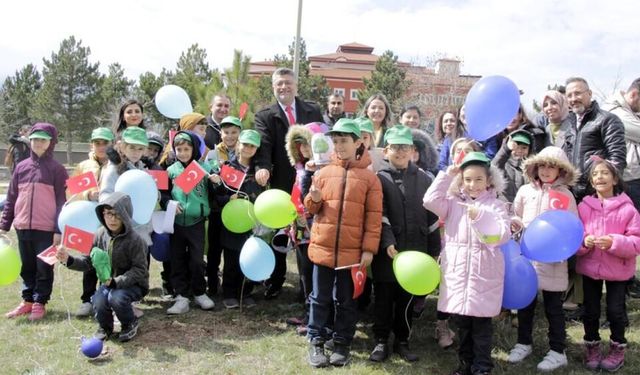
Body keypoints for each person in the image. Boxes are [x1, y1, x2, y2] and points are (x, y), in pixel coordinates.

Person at [304, 118, 382, 368]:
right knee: (319, 298)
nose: (339, 145)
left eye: (344, 141)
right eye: (335, 141)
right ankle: (316, 341)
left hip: (351, 255)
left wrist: (369, 249)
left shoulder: (370, 180)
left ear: (358, 142)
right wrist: (313, 199)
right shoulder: (323, 173)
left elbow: (373, 217)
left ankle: (342, 343)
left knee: (346, 301)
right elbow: (313, 209)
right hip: (322, 250)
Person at [423, 151, 510, 375]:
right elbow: (429, 200)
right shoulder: (452, 203)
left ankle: (482, 366)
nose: (473, 185)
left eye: (479, 179)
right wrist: (446, 175)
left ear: (489, 180)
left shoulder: (497, 205)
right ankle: (465, 363)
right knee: (463, 325)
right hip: (458, 274)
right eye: (467, 179)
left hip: (484, 274)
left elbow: (502, 235)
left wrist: (481, 217)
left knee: (481, 326)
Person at [369, 125, 440, 363]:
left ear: (412, 150)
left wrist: (434, 251)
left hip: (416, 251)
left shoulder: (424, 179)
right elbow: (380, 214)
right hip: (387, 254)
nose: (400, 152)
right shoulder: (379, 178)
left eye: (404, 147)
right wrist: (387, 242)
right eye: (395, 147)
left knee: (406, 301)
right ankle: (380, 341)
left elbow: (432, 219)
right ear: (386, 151)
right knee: (384, 299)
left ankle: (402, 340)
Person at [507, 146, 579, 371]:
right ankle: (523, 342)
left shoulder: (566, 195)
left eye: (552, 166)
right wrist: (515, 222)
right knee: (525, 305)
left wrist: (560, 249)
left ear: (561, 171)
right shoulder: (525, 191)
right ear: (535, 168)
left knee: (553, 308)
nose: (546, 171)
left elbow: (572, 226)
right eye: (542, 166)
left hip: (553, 262)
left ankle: (558, 350)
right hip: (527, 258)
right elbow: (514, 213)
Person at [254, 67, 322, 299]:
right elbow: (263, 145)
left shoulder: (312, 110)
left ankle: (308, 287)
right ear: (273, 87)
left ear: (296, 86)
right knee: (279, 236)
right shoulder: (264, 115)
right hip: (282, 185)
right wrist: (262, 167)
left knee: (308, 236)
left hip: (312, 184)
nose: (284, 87)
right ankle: (275, 280)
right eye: (279, 84)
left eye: (287, 83)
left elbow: (322, 142)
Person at [56, 192, 149, 342]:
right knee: (99, 299)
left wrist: (116, 282)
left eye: (116, 214)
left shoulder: (136, 240)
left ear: (125, 215)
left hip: (134, 285)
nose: (111, 219)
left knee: (116, 297)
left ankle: (129, 323)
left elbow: (139, 270)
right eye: (107, 214)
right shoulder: (99, 235)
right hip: (108, 284)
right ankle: (105, 327)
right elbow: (87, 261)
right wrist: (69, 260)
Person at [577, 159, 640, 372]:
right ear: (591, 181)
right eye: (595, 174)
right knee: (591, 311)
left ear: (615, 179)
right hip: (590, 267)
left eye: (605, 173)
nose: (599, 177)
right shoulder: (583, 207)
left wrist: (615, 242)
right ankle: (592, 347)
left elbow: (636, 241)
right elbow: (575, 235)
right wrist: (584, 241)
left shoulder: (628, 209)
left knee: (615, 311)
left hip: (618, 270)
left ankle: (617, 349)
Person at [1, 123, 68, 321]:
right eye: (35, 139)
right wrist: (4, 224)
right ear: (29, 141)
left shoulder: (57, 169)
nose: (38, 143)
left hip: (46, 229)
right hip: (22, 226)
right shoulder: (21, 167)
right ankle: (27, 300)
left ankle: (40, 302)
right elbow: (11, 198)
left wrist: (58, 229)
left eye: (43, 139)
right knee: (27, 266)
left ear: (51, 143)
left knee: (44, 267)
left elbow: (61, 202)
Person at [162, 130, 217, 314]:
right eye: (179, 149)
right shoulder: (170, 171)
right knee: (177, 259)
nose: (183, 153)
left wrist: (216, 181)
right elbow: (164, 193)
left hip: (197, 223)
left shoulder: (205, 168)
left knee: (196, 260)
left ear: (194, 149)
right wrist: (168, 202)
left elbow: (217, 192)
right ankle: (181, 296)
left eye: (187, 149)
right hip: (176, 223)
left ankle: (200, 292)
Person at [214, 130, 265, 309]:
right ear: (238, 144)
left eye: (252, 145)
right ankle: (229, 293)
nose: (248, 148)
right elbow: (217, 196)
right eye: (245, 144)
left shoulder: (260, 172)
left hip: (252, 222)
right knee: (231, 259)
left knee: (250, 256)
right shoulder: (228, 168)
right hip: (232, 222)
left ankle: (246, 292)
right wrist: (228, 199)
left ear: (257, 148)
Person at [70, 127, 115, 317]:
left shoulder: (116, 164)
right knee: (89, 260)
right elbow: (71, 193)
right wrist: (87, 194)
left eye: (105, 143)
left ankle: (108, 297)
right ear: (92, 144)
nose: (102, 146)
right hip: (88, 223)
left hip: (110, 222)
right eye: (98, 143)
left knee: (109, 260)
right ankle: (87, 299)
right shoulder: (83, 166)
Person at [602, 78, 640, 299]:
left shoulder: (628, 111)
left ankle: (628, 280)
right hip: (625, 181)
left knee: (631, 233)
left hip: (632, 178)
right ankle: (623, 283)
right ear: (634, 95)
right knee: (623, 233)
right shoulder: (614, 110)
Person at [565, 77, 626, 202]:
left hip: (598, 194)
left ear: (590, 93)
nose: (573, 99)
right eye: (569, 95)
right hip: (573, 195)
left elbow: (617, 159)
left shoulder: (607, 120)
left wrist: (604, 189)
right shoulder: (569, 124)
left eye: (577, 93)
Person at [204, 115, 243, 297]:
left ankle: (231, 286)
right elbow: (207, 184)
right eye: (226, 132)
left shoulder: (243, 155)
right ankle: (212, 285)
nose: (230, 136)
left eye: (234, 132)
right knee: (213, 251)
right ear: (220, 133)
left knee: (232, 250)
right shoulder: (212, 154)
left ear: (240, 134)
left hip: (235, 212)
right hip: (216, 210)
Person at [100, 127, 154, 247]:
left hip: (141, 231)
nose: (136, 152)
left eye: (140, 149)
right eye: (132, 147)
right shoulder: (113, 169)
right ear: (123, 147)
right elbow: (105, 196)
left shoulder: (143, 169)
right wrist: (117, 212)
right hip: (120, 230)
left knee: (141, 264)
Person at [284, 124, 314, 332]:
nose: (303, 148)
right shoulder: (299, 169)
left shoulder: (318, 169)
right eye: (298, 145)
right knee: (304, 272)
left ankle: (315, 316)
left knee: (314, 274)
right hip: (300, 228)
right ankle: (307, 312)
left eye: (306, 144)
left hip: (315, 229)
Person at [491, 129, 535, 203]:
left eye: (524, 148)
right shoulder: (503, 164)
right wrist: (506, 149)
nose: (520, 150)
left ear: (529, 150)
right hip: (504, 208)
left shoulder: (532, 169)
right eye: (516, 147)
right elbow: (495, 166)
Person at [540, 90, 576, 159]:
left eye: (554, 103)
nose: (549, 108)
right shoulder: (544, 131)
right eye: (545, 105)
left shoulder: (575, 126)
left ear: (562, 104)